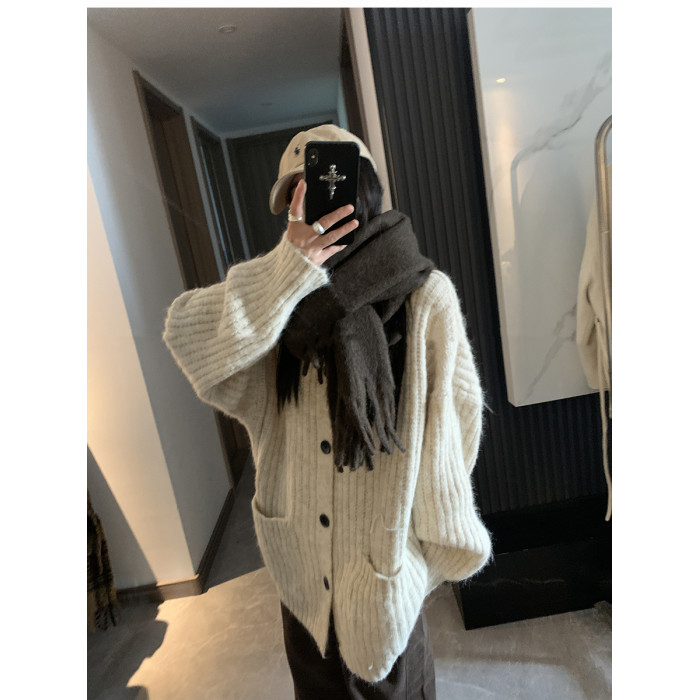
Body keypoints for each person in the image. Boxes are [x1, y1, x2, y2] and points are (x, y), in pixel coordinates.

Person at [162, 124, 492, 699]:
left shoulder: (423, 293)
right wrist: (285, 271)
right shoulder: (274, 303)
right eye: (297, 195)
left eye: (320, 186)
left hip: (385, 581)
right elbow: (186, 336)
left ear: (364, 191)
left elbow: (458, 427)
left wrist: (417, 554)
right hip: (302, 585)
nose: (311, 204)